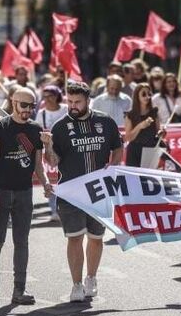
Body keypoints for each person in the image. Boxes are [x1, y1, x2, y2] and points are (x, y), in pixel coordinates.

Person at [44, 80, 123, 302]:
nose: (73, 106)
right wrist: (49, 146)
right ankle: (76, 284)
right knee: (75, 238)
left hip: (100, 191)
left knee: (96, 238)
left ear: (88, 100)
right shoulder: (60, 126)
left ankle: (91, 277)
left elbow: (118, 146)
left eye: (78, 101)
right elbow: (53, 161)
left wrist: (113, 166)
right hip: (71, 191)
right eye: (70, 101)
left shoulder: (105, 122)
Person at [0, 86, 51, 304]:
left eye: (32, 106)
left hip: (24, 193)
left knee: (21, 241)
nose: (27, 110)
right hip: (1, 191)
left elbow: (39, 165)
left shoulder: (35, 129)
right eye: (23, 105)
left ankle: (18, 291)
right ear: (13, 103)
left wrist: (46, 183)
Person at [124, 83, 164, 167]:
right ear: (137, 96)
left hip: (150, 150)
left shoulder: (154, 112)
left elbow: (158, 132)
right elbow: (128, 138)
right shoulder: (130, 115)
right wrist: (140, 126)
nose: (147, 97)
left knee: (149, 177)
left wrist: (162, 132)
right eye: (143, 94)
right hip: (135, 151)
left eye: (149, 94)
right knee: (133, 178)